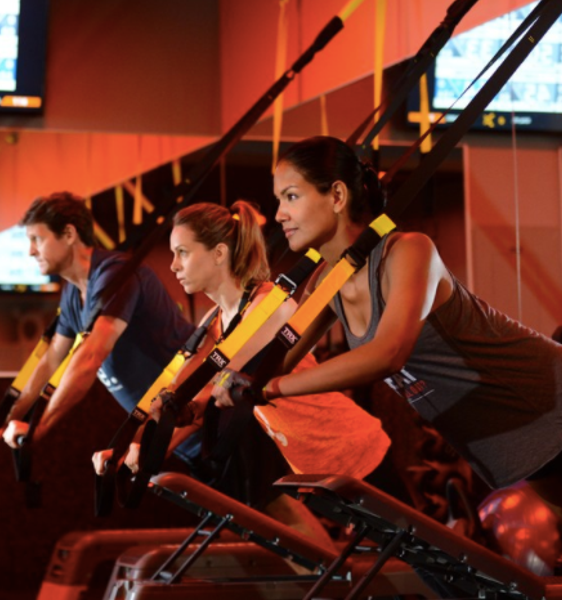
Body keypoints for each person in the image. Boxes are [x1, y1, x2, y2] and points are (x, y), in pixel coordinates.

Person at [244, 135, 562, 593]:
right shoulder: (325, 283)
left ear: (336, 195)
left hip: (559, 403)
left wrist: (271, 389)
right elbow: (275, 357)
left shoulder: (408, 251)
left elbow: (387, 353)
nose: (280, 214)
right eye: (278, 200)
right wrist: (208, 392)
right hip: (514, 436)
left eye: (291, 197)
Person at [97, 200, 392, 552]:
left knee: (417, 567)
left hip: (351, 448)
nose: (173, 265)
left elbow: (207, 391)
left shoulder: (267, 306)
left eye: (182, 253)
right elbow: (184, 401)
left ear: (219, 253)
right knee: (341, 564)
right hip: (311, 463)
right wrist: (131, 448)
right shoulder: (214, 321)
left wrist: (145, 447)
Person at [0, 192, 200, 468]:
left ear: (69, 234)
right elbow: (51, 361)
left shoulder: (116, 274)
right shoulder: (73, 293)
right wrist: (4, 420)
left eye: (37, 239)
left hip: (212, 424)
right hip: (179, 438)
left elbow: (91, 356)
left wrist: (40, 427)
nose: (31, 251)